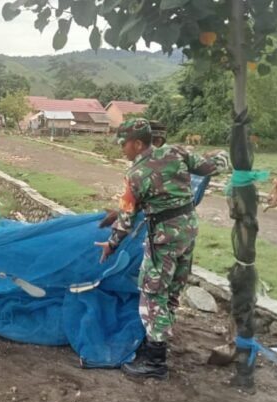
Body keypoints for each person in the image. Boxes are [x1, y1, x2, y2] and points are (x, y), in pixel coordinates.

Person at [96, 118, 229, 380]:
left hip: (163, 238)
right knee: (171, 291)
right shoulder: (176, 152)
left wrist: (111, 245)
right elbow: (209, 167)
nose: (122, 149)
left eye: (124, 144)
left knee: (152, 292)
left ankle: (155, 362)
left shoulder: (136, 174)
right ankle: (155, 343)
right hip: (187, 231)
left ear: (137, 143)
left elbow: (126, 219)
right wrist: (226, 155)